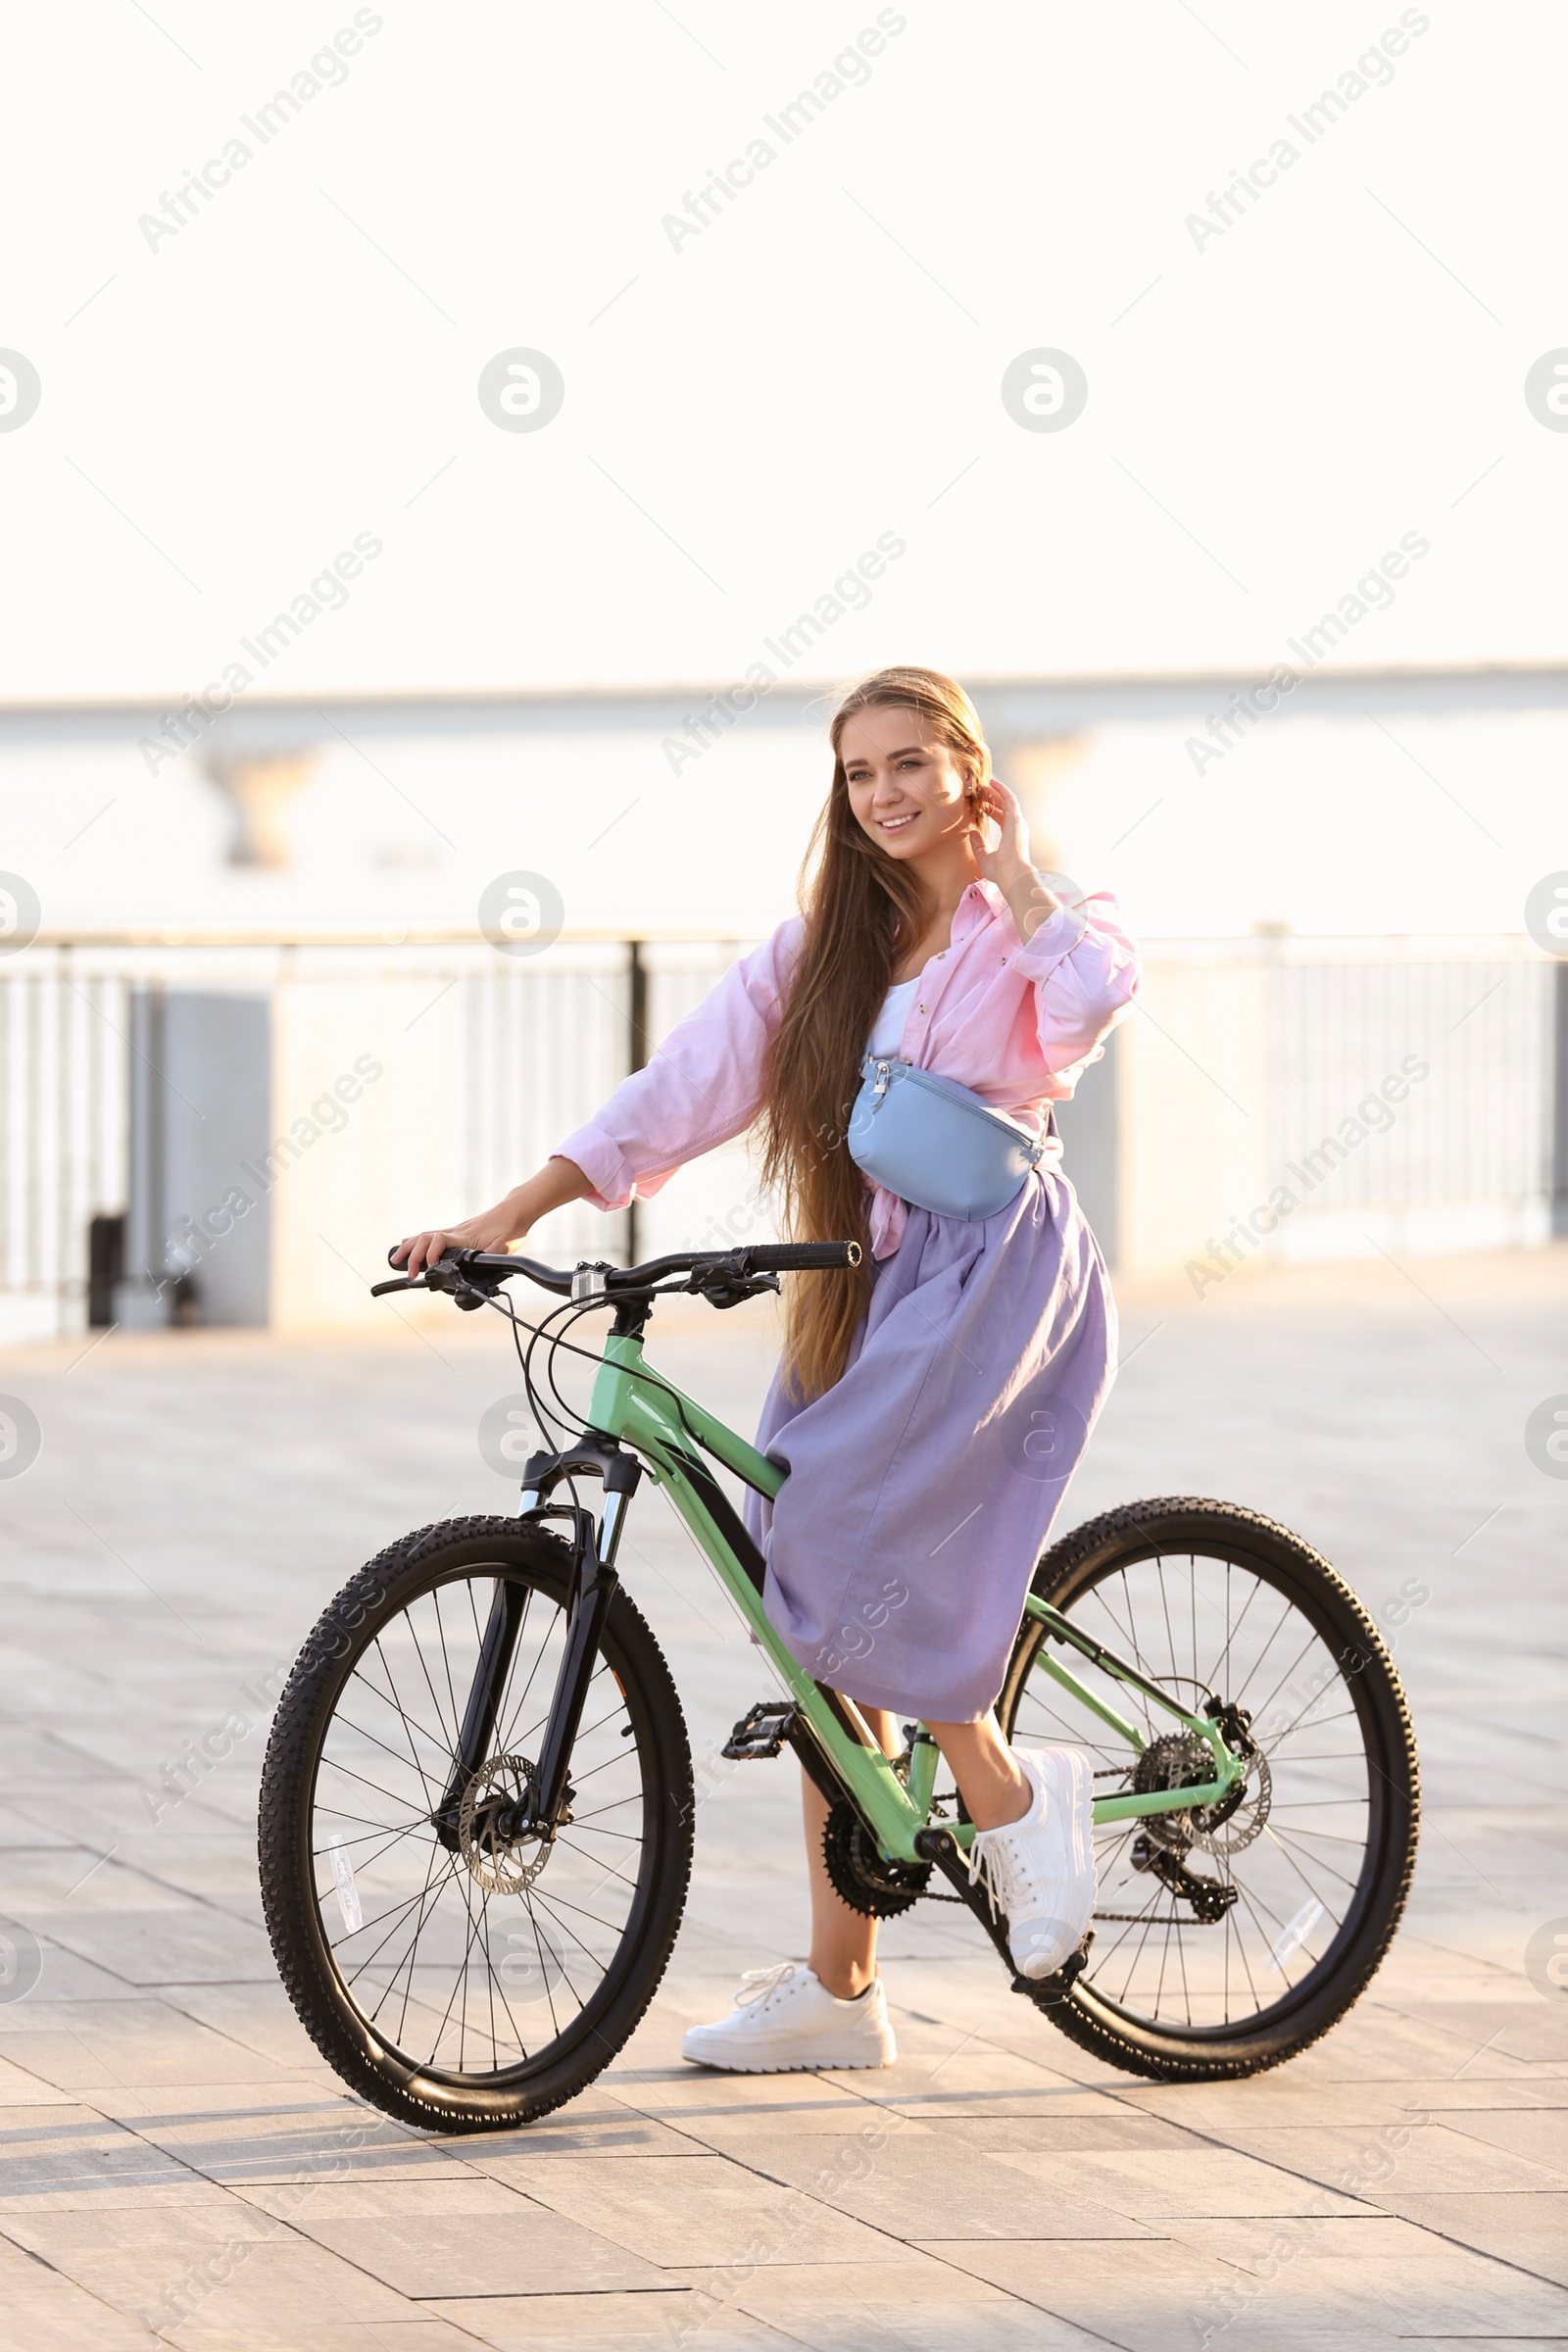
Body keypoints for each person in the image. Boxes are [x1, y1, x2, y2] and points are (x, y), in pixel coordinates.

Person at [394, 665, 1141, 2075]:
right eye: (861, 775)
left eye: (913, 763)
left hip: (993, 1275)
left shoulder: (1023, 928)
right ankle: (841, 1992)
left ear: (968, 769)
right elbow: (678, 1090)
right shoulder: (822, 951)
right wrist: (512, 1212)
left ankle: (1008, 1787)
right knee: (796, 1590)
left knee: (838, 1530)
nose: (887, 794)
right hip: (857, 1282)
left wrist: (1022, 872)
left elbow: (1099, 996)